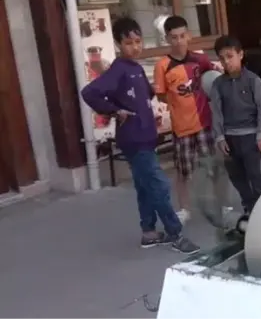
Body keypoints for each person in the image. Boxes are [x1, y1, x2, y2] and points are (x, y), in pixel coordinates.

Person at [81, 17, 200, 254]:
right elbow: (90, 92)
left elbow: (146, 93)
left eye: (138, 41)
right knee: (159, 185)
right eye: (128, 43)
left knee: (145, 186)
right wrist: (115, 110)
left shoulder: (135, 68)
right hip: (134, 139)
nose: (135, 47)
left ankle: (149, 232)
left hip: (145, 136)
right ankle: (175, 234)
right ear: (118, 44)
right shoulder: (118, 69)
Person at [153, 15, 218, 224]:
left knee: (213, 167)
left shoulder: (201, 60)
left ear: (188, 35)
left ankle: (220, 205)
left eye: (182, 36)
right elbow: (162, 94)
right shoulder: (162, 66)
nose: (179, 41)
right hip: (182, 128)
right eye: (174, 37)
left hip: (205, 124)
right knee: (183, 172)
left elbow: (213, 81)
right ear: (167, 39)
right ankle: (184, 209)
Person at [210, 36, 261, 214]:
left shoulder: (253, 81)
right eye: (222, 58)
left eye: (230, 56)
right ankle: (249, 204)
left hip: (250, 136)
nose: (226, 62)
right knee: (236, 175)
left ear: (241, 55)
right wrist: (220, 137)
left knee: (253, 173)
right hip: (230, 137)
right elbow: (216, 111)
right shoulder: (218, 84)